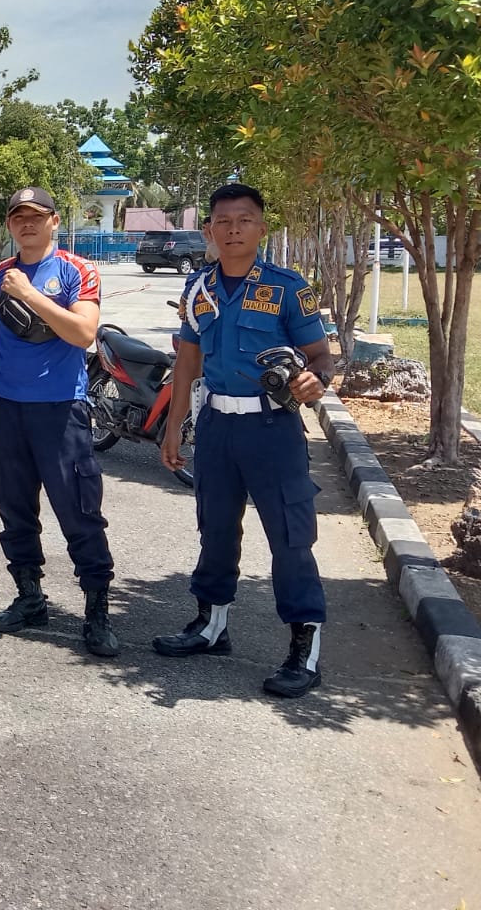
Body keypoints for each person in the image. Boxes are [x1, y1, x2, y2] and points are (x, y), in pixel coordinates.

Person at [153, 183, 334, 698]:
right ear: (208, 229)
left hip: (272, 428)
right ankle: (211, 625)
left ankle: (304, 645)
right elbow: (188, 362)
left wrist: (314, 379)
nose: (233, 230)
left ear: (261, 228)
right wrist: (173, 427)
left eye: (244, 220)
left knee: (290, 539)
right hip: (217, 428)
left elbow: (320, 355)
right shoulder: (198, 289)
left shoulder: (286, 287)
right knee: (214, 528)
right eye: (223, 221)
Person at [0, 186, 118, 657]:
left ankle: (97, 610)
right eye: (18, 217)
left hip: (62, 411)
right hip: (9, 410)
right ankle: (30, 596)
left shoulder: (77, 270)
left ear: (55, 221)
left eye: (36, 216)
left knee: (78, 511)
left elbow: (84, 332)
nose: (26, 224)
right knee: (14, 509)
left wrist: (30, 293)